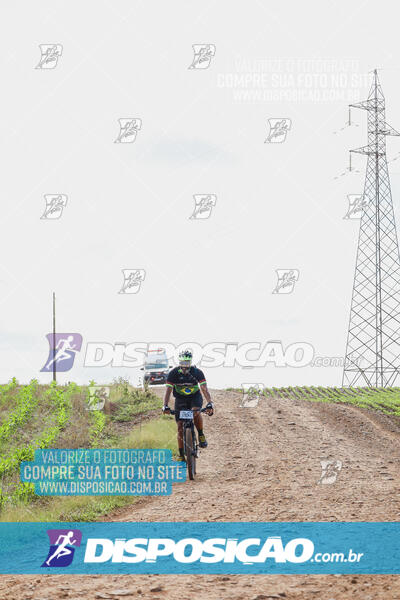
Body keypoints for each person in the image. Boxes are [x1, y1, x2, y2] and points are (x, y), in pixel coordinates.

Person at [162, 350, 214, 461]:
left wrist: (210, 402)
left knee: (196, 412)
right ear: (179, 362)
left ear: (190, 362)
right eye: (182, 363)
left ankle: (200, 434)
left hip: (194, 397)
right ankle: (181, 455)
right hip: (180, 399)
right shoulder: (173, 373)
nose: (184, 365)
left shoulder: (197, 372)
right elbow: (168, 390)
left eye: (187, 363)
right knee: (180, 426)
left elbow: (204, 388)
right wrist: (165, 405)